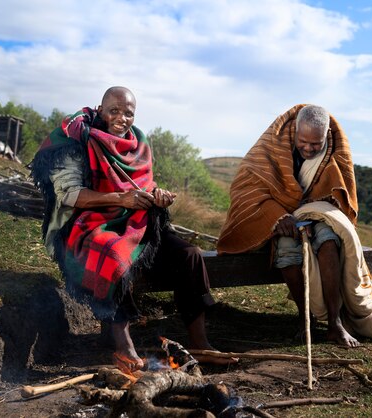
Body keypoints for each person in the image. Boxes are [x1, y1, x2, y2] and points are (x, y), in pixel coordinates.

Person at [32, 86, 231, 371]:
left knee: (190, 254)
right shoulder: (77, 138)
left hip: (139, 222)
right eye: (114, 111)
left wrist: (157, 196)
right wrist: (120, 199)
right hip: (92, 222)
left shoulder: (139, 142)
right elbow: (69, 194)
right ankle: (122, 344)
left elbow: (142, 186)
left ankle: (199, 343)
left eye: (128, 113)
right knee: (113, 254)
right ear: (101, 111)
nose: (121, 118)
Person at [217, 104, 372, 347]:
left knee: (329, 241)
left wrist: (312, 215)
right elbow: (248, 186)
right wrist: (280, 216)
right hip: (281, 214)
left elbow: (340, 194)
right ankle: (303, 318)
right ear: (295, 131)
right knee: (287, 251)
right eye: (303, 142)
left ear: (326, 135)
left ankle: (334, 324)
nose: (308, 148)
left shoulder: (336, 148)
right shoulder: (272, 142)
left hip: (318, 212)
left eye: (315, 144)